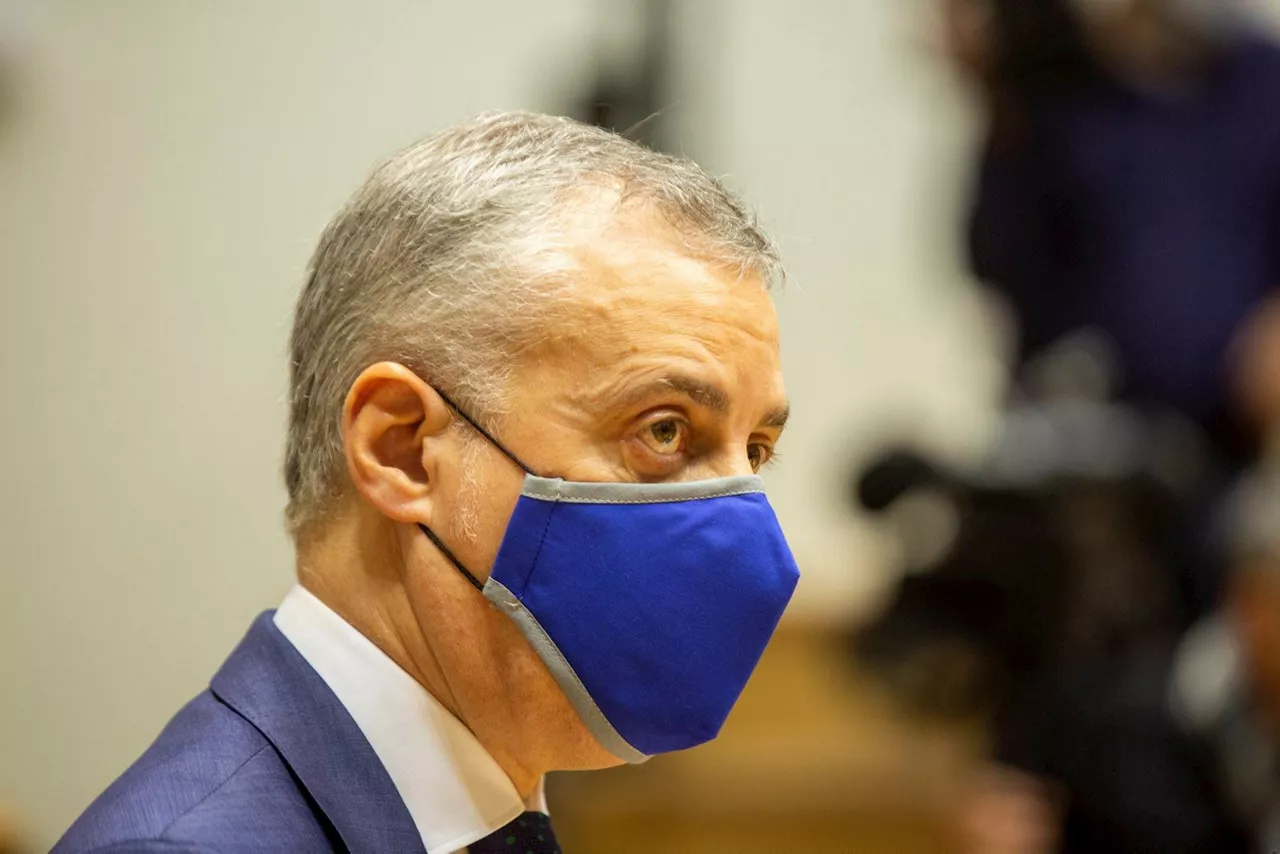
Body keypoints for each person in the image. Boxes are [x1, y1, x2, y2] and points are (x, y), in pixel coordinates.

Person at [53, 110, 800, 854]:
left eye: (756, 450)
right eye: (665, 431)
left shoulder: (494, 818)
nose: (745, 535)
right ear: (403, 450)